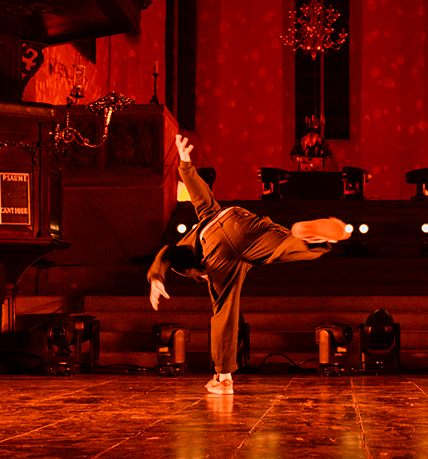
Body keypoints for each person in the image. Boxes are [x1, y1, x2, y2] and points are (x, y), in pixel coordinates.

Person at [148, 134, 350, 395]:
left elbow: (168, 253)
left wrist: (156, 278)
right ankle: (314, 240)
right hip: (240, 218)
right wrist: (186, 164)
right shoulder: (205, 215)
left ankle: (223, 379)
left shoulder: (193, 253)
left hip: (216, 245)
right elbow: (201, 198)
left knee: (224, 307)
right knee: (281, 244)